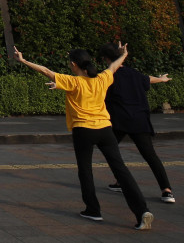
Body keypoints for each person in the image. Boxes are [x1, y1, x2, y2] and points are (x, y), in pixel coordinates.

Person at [14, 44, 154, 231]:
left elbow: (46, 71)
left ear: (74, 64)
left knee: (85, 170)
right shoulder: (102, 79)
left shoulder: (73, 82)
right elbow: (113, 67)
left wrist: (23, 61)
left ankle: (93, 210)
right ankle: (141, 211)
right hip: (105, 128)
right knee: (121, 169)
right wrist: (125, 54)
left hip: (83, 130)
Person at [97, 43, 175, 204]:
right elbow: (148, 79)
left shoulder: (107, 76)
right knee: (150, 155)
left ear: (105, 59)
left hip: (118, 122)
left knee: (109, 150)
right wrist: (161, 79)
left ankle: (121, 180)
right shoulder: (134, 73)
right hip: (139, 120)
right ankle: (166, 190)